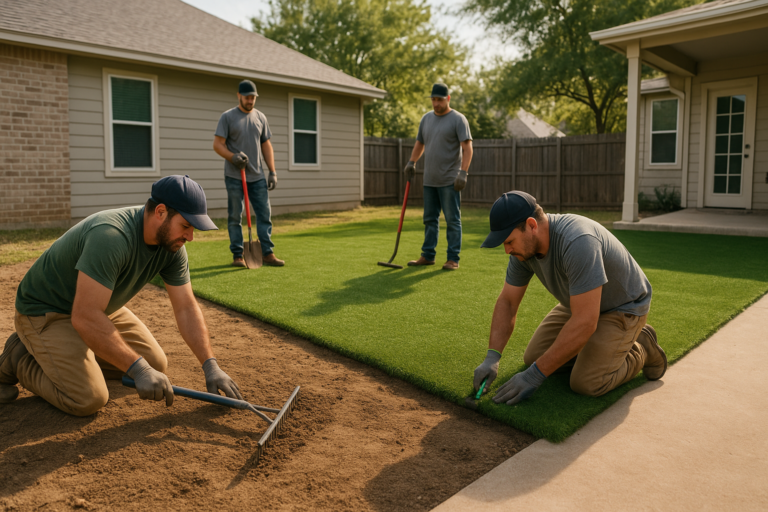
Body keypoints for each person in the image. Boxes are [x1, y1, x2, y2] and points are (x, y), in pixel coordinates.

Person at [0, 175, 243, 415]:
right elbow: (84, 316)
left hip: (96, 306)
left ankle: (74, 348)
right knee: (89, 398)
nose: (190, 237)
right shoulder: (111, 236)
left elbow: (186, 307)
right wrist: (138, 369)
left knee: (155, 364)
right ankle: (19, 357)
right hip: (46, 311)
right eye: (186, 226)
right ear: (160, 212)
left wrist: (210, 366)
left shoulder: (172, 247)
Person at [473, 191, 667, 405]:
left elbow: (585, 321)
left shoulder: (577, 241)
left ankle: (642, 348)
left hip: (623, 307)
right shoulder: (523, 251)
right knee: (533, 358)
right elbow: (508, 302)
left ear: (531, 225)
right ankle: (601, 346)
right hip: (580, 303)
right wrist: (493, 356)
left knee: (586, 383)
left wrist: (534, 375)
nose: (506, 249)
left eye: (509, 241)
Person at [213, 79, 284, 267]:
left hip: (257, 176)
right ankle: (238, 254)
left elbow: (266, 145)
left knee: (264, 214)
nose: (250, 100)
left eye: (253, 97)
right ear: (239, 96)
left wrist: (272, 171)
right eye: (247, 97)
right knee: (236, 215)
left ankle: (267, 252)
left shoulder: (260, 117)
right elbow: (217, 144)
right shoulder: (227, 117)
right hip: (235, 176)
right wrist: (232, 157)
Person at [404, 83, 473, 271]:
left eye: (440, 99)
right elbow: (420, 143)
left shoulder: (458, 119)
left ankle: (453, 258)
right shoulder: (426, 119)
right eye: (433, 99)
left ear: (448, 98)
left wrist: (463, 172)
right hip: (430, 180)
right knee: (429, 219)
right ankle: (427, 255)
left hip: (450, 180)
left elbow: (467, 148)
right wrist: (412, 162)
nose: (436, 103)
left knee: (452, 220)